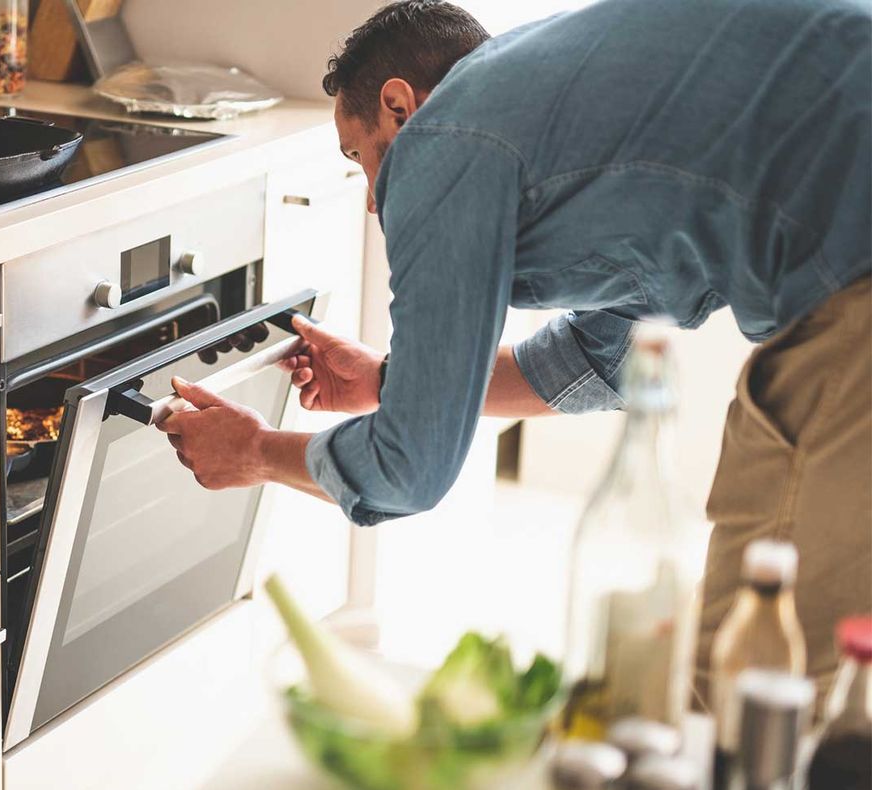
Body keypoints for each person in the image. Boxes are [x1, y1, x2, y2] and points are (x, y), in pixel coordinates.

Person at [156, 0, 870, 699]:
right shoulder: (573, 115)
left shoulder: (445, 136)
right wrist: (388, 381)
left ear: (401, 107)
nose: (374, 200)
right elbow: (604, 362)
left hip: (852, 275)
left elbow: (410, 470)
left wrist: (254, 452)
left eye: (361, 156)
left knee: (747, 675)